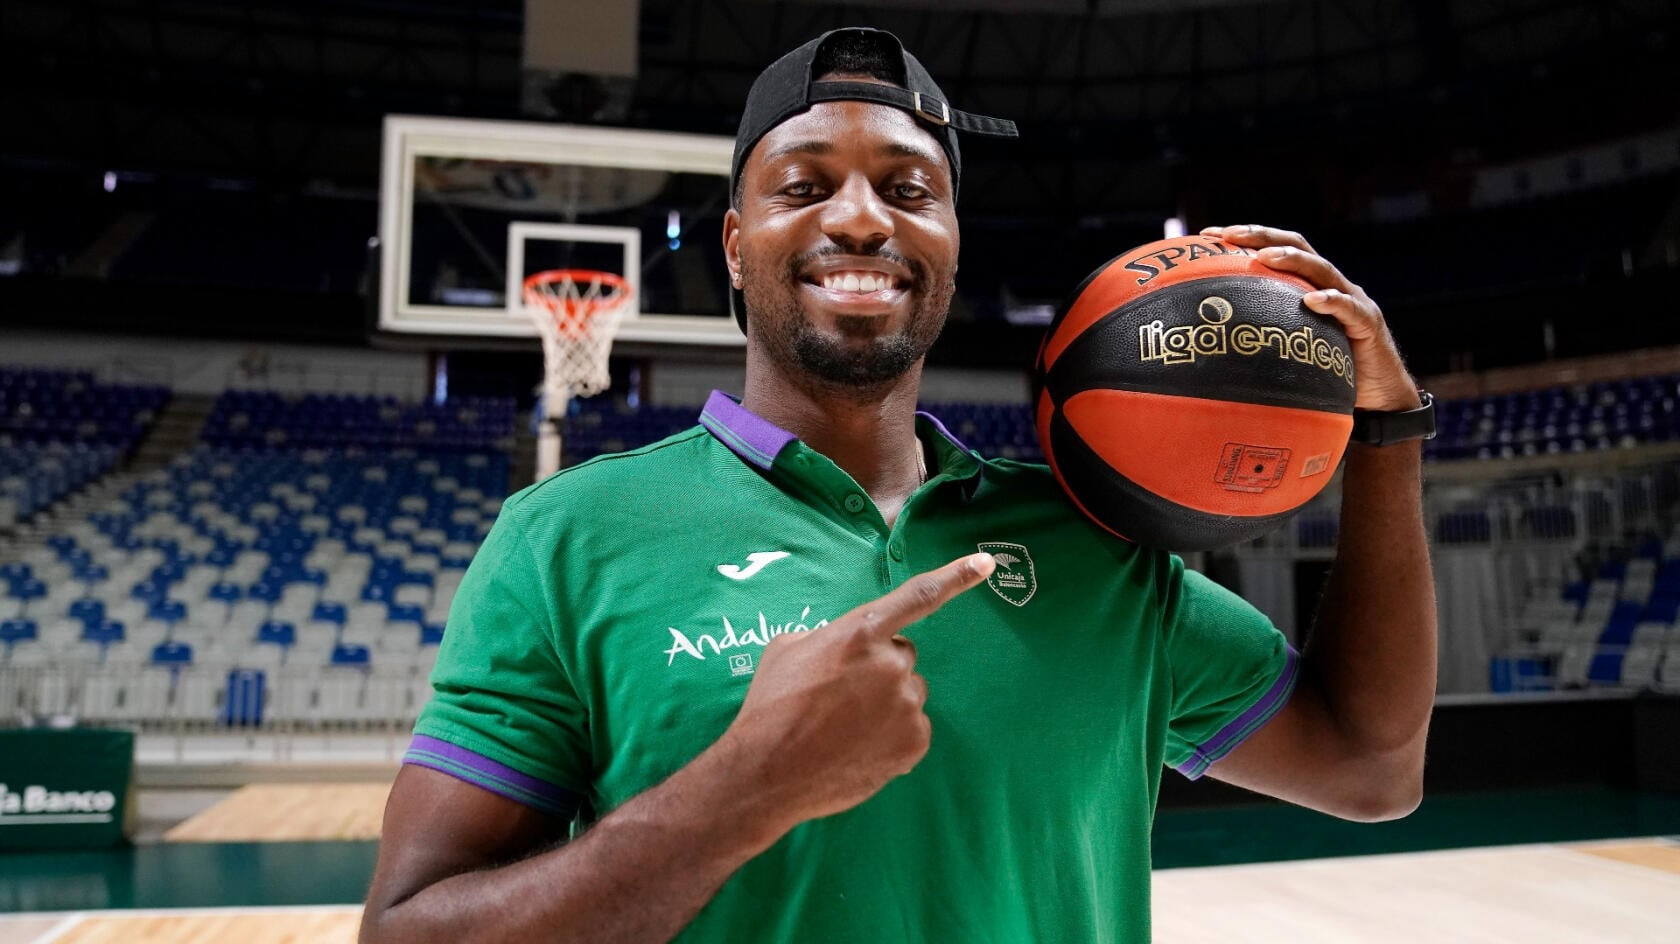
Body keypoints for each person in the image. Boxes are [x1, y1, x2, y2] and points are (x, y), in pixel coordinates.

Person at [361, 27, 1436, 944]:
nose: (865, 218)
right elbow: (407, 928)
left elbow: (1370, 766)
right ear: (736, 248)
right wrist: (742, 792)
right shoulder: (569, 535)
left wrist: (1386, 438)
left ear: (952, 244)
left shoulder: (1094, 543)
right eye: (806, 185)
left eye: (911, 188)